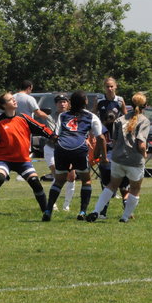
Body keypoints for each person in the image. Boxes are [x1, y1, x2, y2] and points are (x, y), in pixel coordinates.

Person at [0, 92, 54, 214]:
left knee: (34, 181)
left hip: (22, 160)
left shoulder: (23, 118)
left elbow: (41, 128)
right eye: (10, 99)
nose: (14, 100)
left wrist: (53, 136)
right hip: (4, 159)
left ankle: (46, 211)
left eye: (13, 98)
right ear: (4, 105)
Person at [87, 92, 150, 223]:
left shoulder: (119, 120)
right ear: (145, 106)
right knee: (135, 189)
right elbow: (141, 144)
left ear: (130, 104)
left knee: (112, 185)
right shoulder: (144, 120)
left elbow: (114, 142)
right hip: (134, 160)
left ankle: (96, 211)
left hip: (117, 159)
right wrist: (144, 153)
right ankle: (125, 217)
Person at [42, 91, 106, 221]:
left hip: (62, 148)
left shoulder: (63, 115)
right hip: (79, 148)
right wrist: (103, 157)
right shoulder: (91, 116)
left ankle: (48, 210)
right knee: (86, 180)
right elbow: (101, 138)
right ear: (86, 102)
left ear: (70, 102)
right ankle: (82, 212)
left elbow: (56, 135)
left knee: (59, 180)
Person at [93, 76, 129, 218]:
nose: (109, 88)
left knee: (123, 180)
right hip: (104, 140)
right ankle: (103, 211)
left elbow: (126, 117)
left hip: (118, 142)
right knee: (106, 178)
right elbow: (93, 115)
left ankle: (127, 210)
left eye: (111, 86)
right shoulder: (100, 100)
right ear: (104, 87)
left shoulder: (119, 101)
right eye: (107, 86)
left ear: (116, 87)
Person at [42, 94, 76, 211]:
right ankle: (53, 203)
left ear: (68, 103)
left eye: (64, 101)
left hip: (68, 149)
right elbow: (54, 135)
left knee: (71, 176)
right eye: (59, 102)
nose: (62, 104)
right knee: (58, 175)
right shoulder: (51, 118)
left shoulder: (73, 117)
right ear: (56, 104)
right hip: (52, 149)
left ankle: (66, 205)